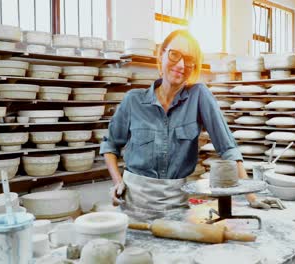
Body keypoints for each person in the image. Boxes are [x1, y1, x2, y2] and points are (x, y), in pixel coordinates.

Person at [100, 29, 284, 221]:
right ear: (161, 54)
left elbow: (228, 149)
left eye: (188, 60)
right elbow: (110, 146)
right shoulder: (133, 100)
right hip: (133, 204)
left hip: (175, 204)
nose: (181, 64)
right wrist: (117, 182)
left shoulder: (198, 96)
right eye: (174, 54)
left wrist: (251, 197)